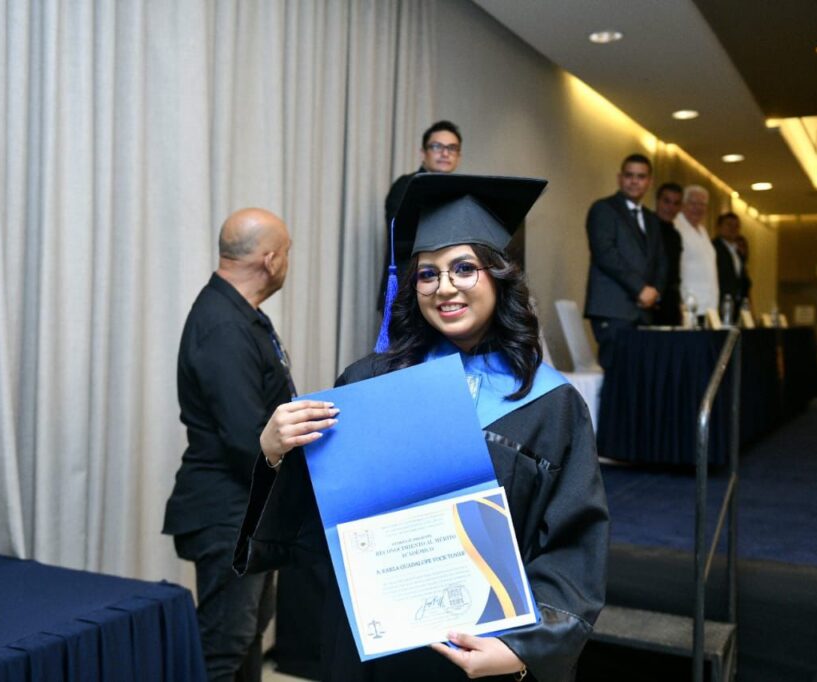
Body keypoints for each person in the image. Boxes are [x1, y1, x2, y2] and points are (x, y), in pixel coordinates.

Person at [236, 174, 609, 682]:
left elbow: (573, 544)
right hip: (372, 648)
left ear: (500, 277)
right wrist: (275, 452)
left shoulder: (550, 404)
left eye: (464, 268)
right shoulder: (368, 383)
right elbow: (312, 516)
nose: (445, 287)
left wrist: (522, 649)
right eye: (428, 274)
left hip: (481, 650)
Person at [163, 208, 295, 682]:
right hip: (228, 512)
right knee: (224, 644)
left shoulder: (240, 315)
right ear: (271, 259)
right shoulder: (223, 325)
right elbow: (248, 438)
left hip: (248, 508)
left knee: (248, 633)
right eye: (287, 253)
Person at [584, 153, 667, 368]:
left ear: (649, 182)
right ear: (620, 178)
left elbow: (661, 261)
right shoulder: (603, 209)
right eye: (629, 175)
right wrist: (640, 289)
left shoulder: (652, 219)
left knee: (639, 379)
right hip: (613, 311)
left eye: (641, 176)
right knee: (617, 379)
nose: (634, 181)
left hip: (644, 313)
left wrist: (655, 293)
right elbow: (605, 254)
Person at [379, 121, 464, 307]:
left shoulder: (461, 192)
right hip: (407, 292)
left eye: (452, 148)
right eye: (437, 147)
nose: (445, 153)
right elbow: (400, 238)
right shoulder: (407, 185)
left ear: (459, 156)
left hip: (446, 290)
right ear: (423, 153)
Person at [673, 185, 718, 319]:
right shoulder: (676, 226)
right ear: (683, 204)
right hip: (688, 305)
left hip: (709, 306)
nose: (698, 208)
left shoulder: (703, 230)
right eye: (693, 203)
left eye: (703, 204)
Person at [652, 182, 684, 326]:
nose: (671, 208)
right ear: (657, 201)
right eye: (666, 201)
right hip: (652, 301)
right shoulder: (646, 229)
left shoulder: (676, 235)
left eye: (676, 203)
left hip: (671, 302)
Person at [713, 212, 752, 319]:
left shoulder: (738, 252)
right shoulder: (714, 248)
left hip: (737, 308)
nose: (733, 229)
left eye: (736, 226)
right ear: (719, 227)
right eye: (729, 225)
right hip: (721, 305)